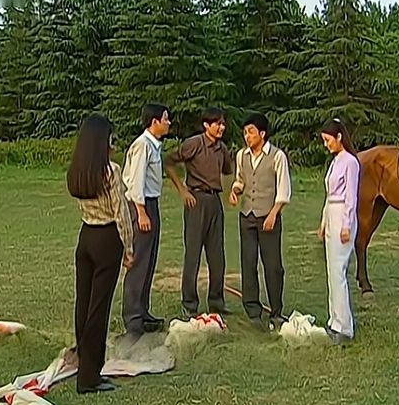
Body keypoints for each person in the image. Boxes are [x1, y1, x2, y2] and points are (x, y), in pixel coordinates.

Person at [66, 114, 134, 394]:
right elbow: (121, 213)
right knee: (99, 308)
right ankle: (89, 376)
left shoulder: (79, 170)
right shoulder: (110, 171)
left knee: (83, 304)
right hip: (107, 238)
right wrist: (129, 249)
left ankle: (83, 360)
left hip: (86, 236)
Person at [164, 107, 233, 317]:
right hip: (196, 200)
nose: (221, 127)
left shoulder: (222, 149)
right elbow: (169, 161)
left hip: (214, 201)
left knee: (217, 255)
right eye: (217, 124)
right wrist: (182, 190)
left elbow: (228, 171)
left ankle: (216, 301)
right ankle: (189, 303)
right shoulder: (194, 144)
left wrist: (231, 192)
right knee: (193, 254)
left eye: (223, 123)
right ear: (206, 125)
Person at [229, 112, 291, 331]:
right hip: (247, 215)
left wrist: (274, 213)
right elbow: (240, 180)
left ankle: (276, 311)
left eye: (251, 132)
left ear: (262, 134)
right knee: (248, 263)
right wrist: (235, 191)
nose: (247, 136)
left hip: (268, 216)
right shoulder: (241, 156)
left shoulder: (277, 156)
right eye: (245, 132)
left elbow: (283, 189)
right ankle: (252, 309)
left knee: (273, 266)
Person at [121, 103, 171, 337]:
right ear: (154, 122)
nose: (168, 123)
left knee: (149, 260)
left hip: (152, 203)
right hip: (141, 204)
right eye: (165, 119)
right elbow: (135, 181)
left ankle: (143, 311)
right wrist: (141, 212)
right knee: (140, 260)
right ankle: (132, 318)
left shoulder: (154, 146)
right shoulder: (142, 145)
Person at [317, 117, 360, 345]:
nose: (326, 145)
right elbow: (329, 195)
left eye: (328, 140)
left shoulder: (350, 162)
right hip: (332, 213)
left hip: (343, 213)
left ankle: (344, 326)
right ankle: (334, 320)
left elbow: (351, 196)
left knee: (338, 271)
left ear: (339, 137)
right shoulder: (335, 162)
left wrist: (346, 224)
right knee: (331, 271)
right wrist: (324, 222)